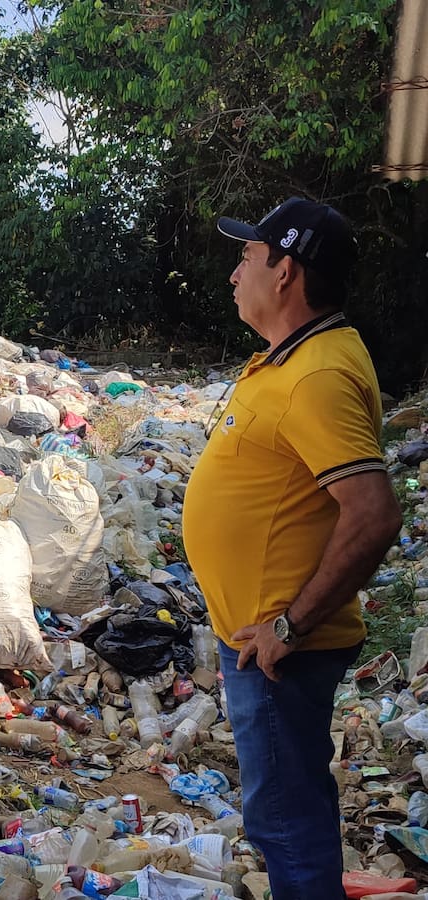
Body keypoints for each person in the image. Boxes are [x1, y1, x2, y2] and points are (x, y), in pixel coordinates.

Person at [183, 197, 401, 900]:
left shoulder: (317, 376)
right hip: (262, 639)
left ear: (286, 271)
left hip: (277, 649)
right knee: (289, 809)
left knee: (284, 821)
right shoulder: (297, 357)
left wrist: (288, 625)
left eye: (247, 256)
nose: (233, 273)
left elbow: (371, 514)